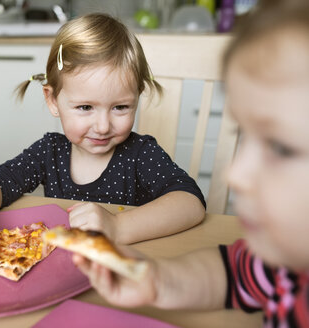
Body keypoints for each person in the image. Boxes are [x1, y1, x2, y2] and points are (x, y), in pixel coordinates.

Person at [73, 1, 309, 326]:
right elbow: (234, 273)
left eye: (280, 148)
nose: (236, 174)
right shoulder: (283, 260)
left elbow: (188, 200)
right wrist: (159, 279)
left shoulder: (140, 152)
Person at [0, 13, 206, 268]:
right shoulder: (49, 151)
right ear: (52, 100)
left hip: (122, 273)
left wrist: (117, 227)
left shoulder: (140, 153)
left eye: (121, 107)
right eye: (85, 108)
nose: (103, 127)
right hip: (64, 273)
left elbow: (191, 203)